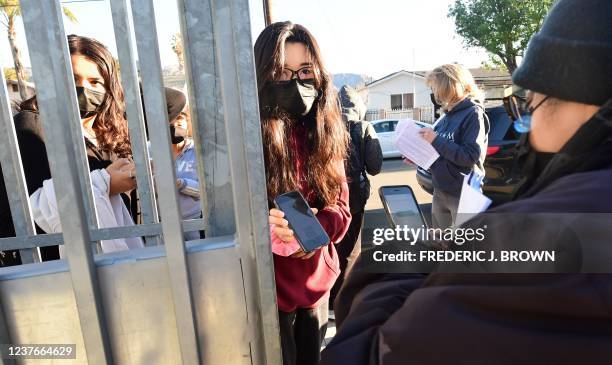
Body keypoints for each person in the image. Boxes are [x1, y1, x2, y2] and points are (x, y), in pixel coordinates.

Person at [321, 0, 612, 363]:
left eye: (529, 104)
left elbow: (374, 350)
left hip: (459, 190)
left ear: (586, 99)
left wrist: (390, 256)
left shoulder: (555, 234)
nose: (527, 131)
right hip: (442, 189)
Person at [254, 22, 351, 365]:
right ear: (263, 75)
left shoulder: (326, 135)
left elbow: (342, 212)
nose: (295, 82)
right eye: (282, 72)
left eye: (306, 70)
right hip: (264, 294)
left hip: (315, 287)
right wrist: (268, 229)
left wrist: (310, 228)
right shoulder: (246, 140)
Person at [0, 35, 138, 265]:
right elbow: (30, 207)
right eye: (74, 79)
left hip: (113, 263)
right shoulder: (32, 126)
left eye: (95, 82)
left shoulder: (110, 135)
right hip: (51, 267)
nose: (84, 89)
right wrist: (104, 184)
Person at [329, 85, 382, 314]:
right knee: (352, 250)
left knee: (331, 246)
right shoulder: (364, 128)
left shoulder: (326, 127)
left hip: (328, 196)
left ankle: (329, 298)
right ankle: (345, 301)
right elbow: (375, 166)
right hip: (355, 197)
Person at [416, 64, 489, 228]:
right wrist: (418, 155)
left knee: (467, 249)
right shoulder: (446, 117)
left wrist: (435, 140)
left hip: (465, 194)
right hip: (440, 191)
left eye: (436, 88)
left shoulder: (473, 114)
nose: (434, 94)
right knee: (441, 246)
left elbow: (469, 156)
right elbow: (440, 154)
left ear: (450, 86)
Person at [165, 88, 201, 240]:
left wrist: (181, 183)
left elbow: (205, 192)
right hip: (163, 224)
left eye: (180, 118)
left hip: (194, 221)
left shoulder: (197, 152)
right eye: (171, 119)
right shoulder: (150, 151)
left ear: (187, 122)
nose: (175, 124)